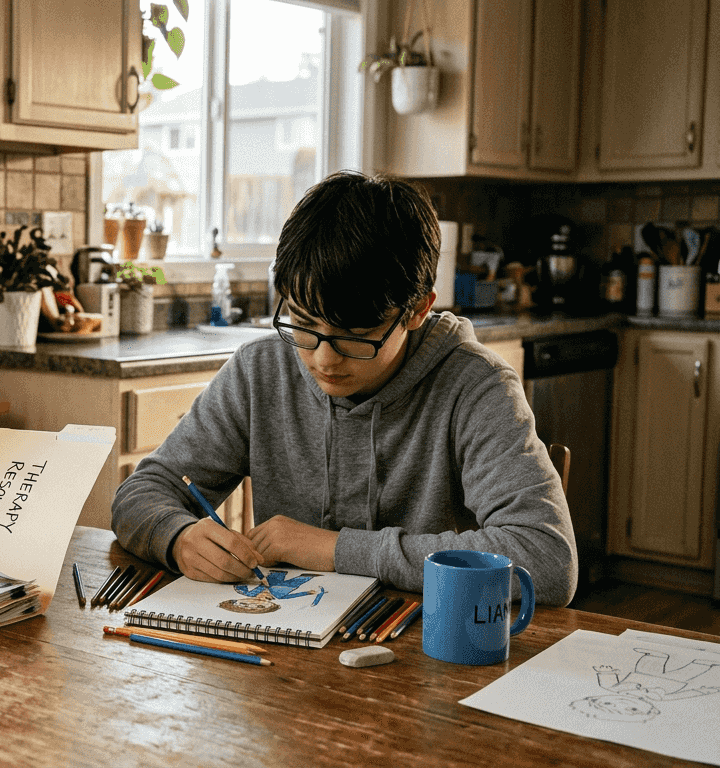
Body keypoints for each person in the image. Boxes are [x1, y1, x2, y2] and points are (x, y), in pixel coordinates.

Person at [111, 170, 578, 607]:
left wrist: (336, 549)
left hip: (421, 651)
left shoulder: (475, 386)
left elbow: (547, 558)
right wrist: (176, 538)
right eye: (304, 323)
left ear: (417, 309)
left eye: (355, 334)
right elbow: (140, 494)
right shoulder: (259, 371)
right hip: (284, 652)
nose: (323, 358)